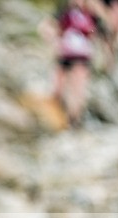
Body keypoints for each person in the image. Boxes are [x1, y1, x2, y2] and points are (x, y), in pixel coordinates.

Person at [43, 0, 99, 128]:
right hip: (65, 54)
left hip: (82, 56)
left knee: (78, 89)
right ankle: (58, 118)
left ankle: (74, 121)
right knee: (58, 87)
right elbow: (48, 26)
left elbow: (96, 31)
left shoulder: (90, 13)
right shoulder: (64, 11)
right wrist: (54, 40)